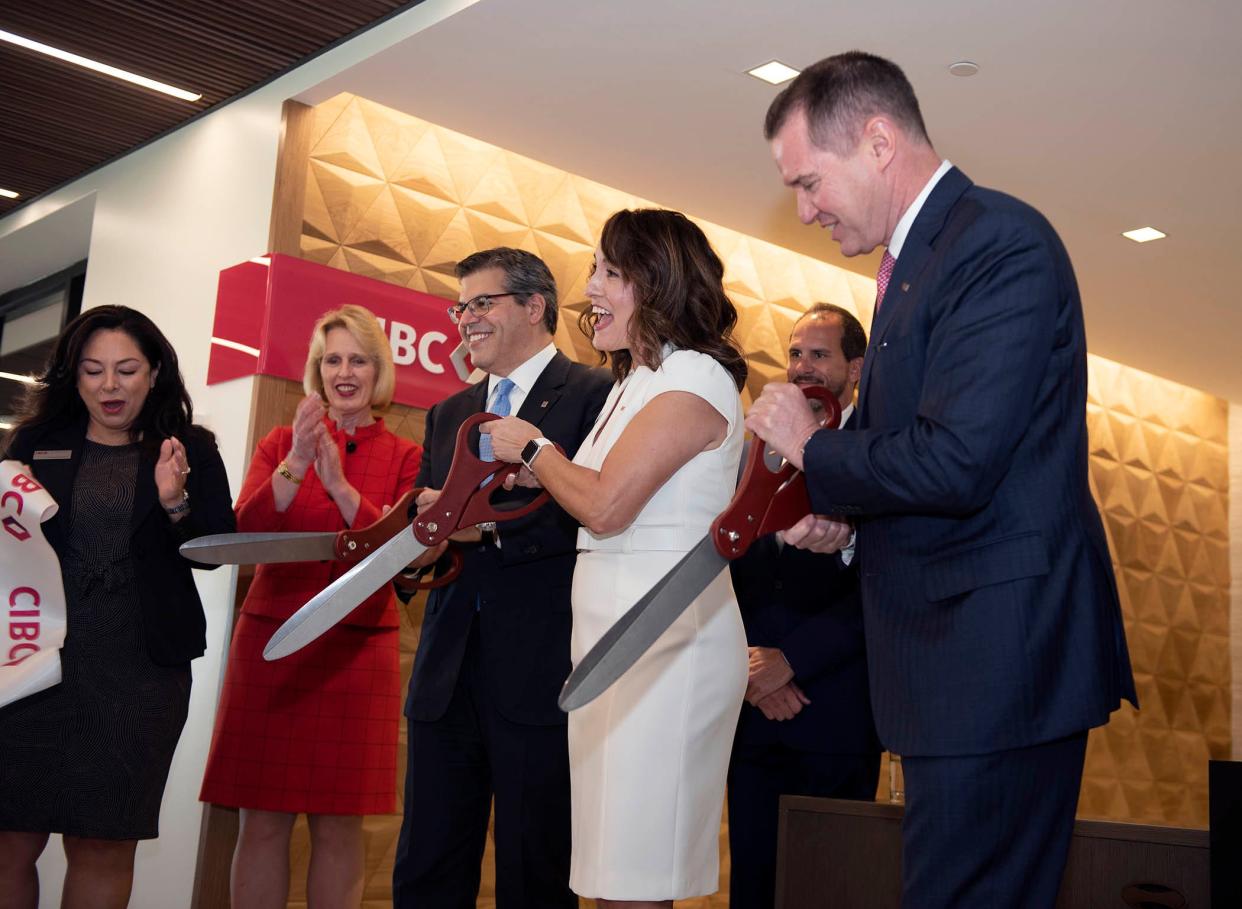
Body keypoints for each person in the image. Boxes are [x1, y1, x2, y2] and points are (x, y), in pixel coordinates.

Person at [748, 51, 1138, 908]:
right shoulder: (918, 263)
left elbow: (959, 458)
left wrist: (812, 447)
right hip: (956, 671)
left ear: (879, 142)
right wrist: (848, 527)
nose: (805, 209)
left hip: (997, 665)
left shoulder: (997, 243)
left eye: (810, 182)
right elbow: (935, 469)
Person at [483, 208, 749, 909]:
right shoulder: (637, 380)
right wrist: (542, 472)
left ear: (655, 282)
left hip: (665, 644)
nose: (590, 286)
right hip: (609, 644)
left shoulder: (695, 376)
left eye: (607, 270)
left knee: (638, 876)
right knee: (607, 873)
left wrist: (537, 450)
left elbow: (606, 506)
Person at [391, 248, 611, 909]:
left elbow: (603, 518)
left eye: (481, 303)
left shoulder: (596, 395)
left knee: (537, 873)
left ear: (534, 306)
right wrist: (414, 542)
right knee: (426, 866)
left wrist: (483, 528)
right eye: (461, 307)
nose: (465, 320)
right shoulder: (448, 413)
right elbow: (431, 541)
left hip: (542, 671)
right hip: (445, 675)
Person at [0, 305, 235, 909]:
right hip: (32, 662)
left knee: (103, 842)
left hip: (138, 675)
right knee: (8, 838)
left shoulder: (192, 449)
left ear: (153, 372)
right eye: (93, 370)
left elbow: (212, 553)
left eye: (126, 369)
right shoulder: (33, 445)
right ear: (73, 377)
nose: (110, 385)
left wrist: (175, 501)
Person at [199, 304, 421, 908]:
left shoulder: (404, 457)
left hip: (358, 653)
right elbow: (245, 535)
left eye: (357, 360)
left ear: (378, 371)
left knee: (340, 824)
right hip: (272, 649)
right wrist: (298, 462)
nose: (343, 372)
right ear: (316, 372)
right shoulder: (279, 442)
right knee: (261, 821)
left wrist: (343, 488)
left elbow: (403, 555)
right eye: (332, 360)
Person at [727, 303, 881, 909]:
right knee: (754, 890)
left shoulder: (875, 455)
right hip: (753, 715)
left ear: (856, 368)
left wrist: (792, 660)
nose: (802, 367)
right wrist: (749, 667)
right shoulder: (752, 452)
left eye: (819, 354)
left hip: (836, 716)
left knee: (831, 890)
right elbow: (726, 563)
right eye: (794, 353)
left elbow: (883, 584)